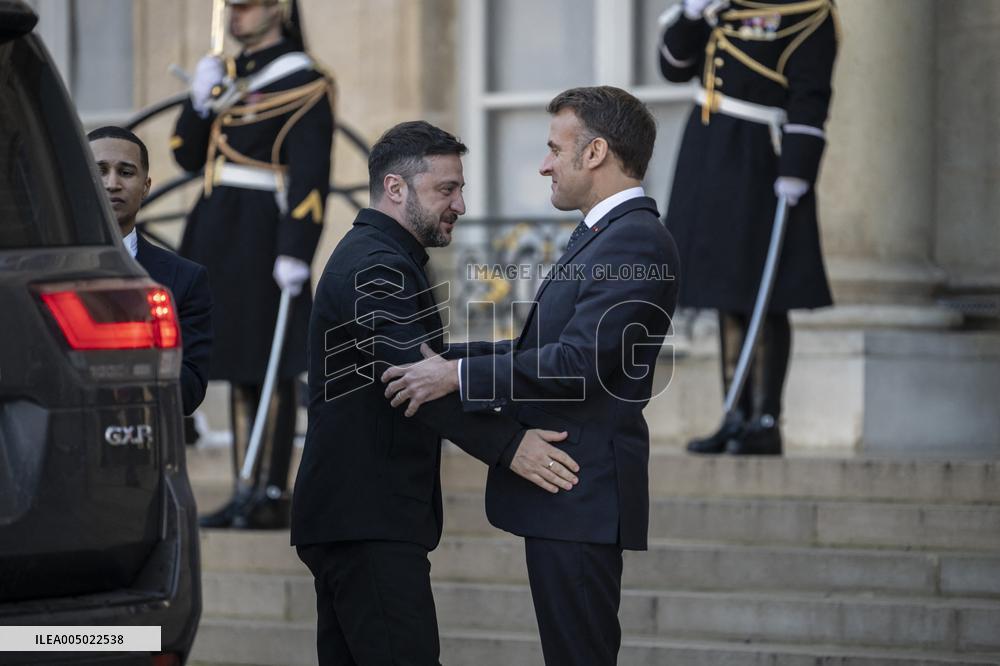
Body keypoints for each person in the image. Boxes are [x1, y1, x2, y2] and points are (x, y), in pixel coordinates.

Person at [382, 88, 679, 666]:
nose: (544, 163)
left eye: (553, 148)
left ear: (595, 153)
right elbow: (539, 348)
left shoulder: (635, 237)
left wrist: (457, 377)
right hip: (569, 491)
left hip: (580, 487)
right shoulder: (605, 232)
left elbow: (575, 365)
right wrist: (449, 359)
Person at [291, 120, 581, 666]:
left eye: (460, 188)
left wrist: (516, 355)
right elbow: (417, 383)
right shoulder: (376, 265)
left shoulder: (379, 256)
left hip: (355, 518)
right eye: (446, 189)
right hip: (366, 520)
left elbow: (431, 365)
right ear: (395, 189)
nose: (461, 205)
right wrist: (512, 447)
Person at [171, 0, 336, 528]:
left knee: (268, 361)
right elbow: (186, 156)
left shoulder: (305, 80)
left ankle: (267, 490)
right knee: (239, 360)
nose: (235, 18)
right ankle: (246, 486)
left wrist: (297, 249)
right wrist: (198, 103)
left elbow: (311, 173)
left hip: (261, 230)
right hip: (216, 228)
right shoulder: (228, 75)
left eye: (245, 7)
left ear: (279, 10)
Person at [658, 0, 840, 455]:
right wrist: (692, 14)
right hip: (708, 148)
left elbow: (811, 93)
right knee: (724, 288)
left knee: (765, 292)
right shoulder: (721, 7)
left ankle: (764, 419)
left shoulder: (808, 10)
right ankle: (733, 415)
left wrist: (798, 167)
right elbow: (674, 68)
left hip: (760, 155)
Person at [88, 126, 212, 417]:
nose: (112, 183)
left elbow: (190, 390)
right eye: (99, 170)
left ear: (146, 185)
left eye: (126, 172)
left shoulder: (185, 280)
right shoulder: (42, 269)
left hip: (143, 444)